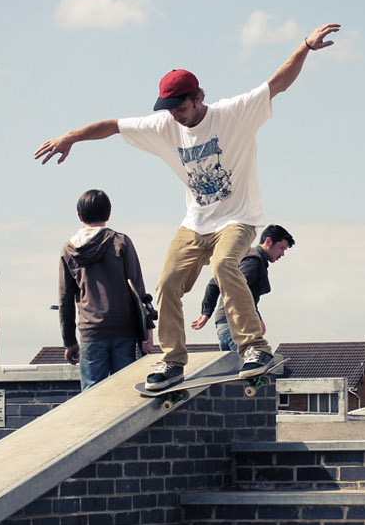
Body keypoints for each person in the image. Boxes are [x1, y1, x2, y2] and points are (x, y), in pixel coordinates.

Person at [35, 22, 341, 391]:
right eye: (170, 109)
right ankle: (172, 360)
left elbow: (277, 83)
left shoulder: (233, 113)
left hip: (238, 219)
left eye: (180, 107)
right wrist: (72, 137)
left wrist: (305, 46)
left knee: (226, 264)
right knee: (166, 284)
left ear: (199, 97)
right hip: (195, 223)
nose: (176, 116)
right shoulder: (164, 125)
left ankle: (254, 348)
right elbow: (112, 125)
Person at [59, 188, 150, 389]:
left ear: (79, 216)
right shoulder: (121, 242)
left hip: (90, 332)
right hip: (123, 329)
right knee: (126, 393)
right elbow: (138, 289)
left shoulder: (69, 249)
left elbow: (65, 299)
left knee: (91, 397)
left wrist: (69, 341)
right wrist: (147, 330)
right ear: (109, 214)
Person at [191, 224, 294, 352]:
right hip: (234, 324)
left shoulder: (249, 257)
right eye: (281, 248)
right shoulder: (253, 261)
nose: (282, 254)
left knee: (237, 369)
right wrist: (206, 312)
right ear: (268, 241)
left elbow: (237, 289)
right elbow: (232, 288)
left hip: (227, 324)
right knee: (253, 365)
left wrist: (206, 312)